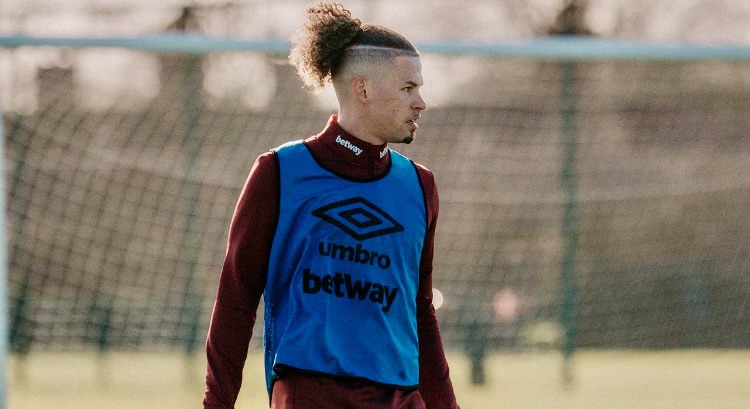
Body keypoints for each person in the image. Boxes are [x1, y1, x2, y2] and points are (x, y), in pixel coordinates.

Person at [203, 2, 460, 408]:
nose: (421, 102)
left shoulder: (419, 186)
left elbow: (420, 311)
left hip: (401, 399)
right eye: (408, 88)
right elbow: (236, 301)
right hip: (311, 396)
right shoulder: (280, 173)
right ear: (362, 89)